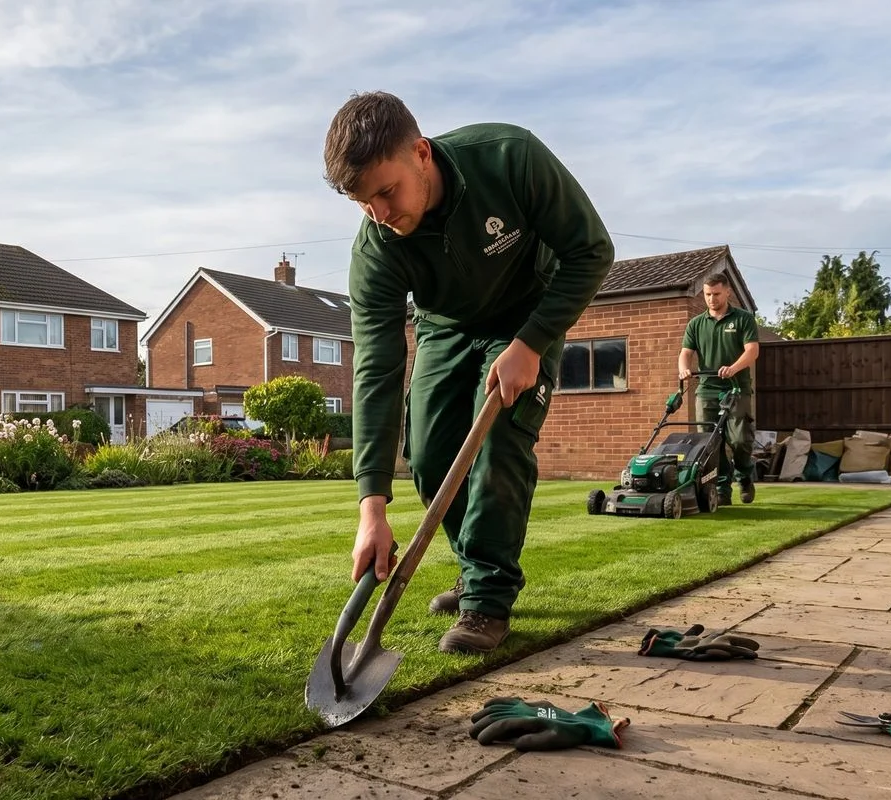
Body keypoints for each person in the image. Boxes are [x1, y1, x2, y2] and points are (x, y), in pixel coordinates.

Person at [325, 92, 613, 655]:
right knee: (430, 455)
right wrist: (371, 507)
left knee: (502, 437)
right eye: (363, 203)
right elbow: (376, 370)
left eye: (387, 192)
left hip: (527, 313)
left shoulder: (509, 156)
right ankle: (472, 566)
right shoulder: (376, 250)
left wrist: (531, 343)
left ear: (422, 153)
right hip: (445, 327)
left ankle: (487, 600)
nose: (381, 214)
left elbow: (591, 251)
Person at [677, 272, 760, 504]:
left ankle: (744, 477)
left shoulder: (743, 319)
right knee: (711, 442)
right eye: (707, 295)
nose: (711, 299)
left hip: (736, 388)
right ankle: (722, 488)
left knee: (740, 439)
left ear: (727, 292)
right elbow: (685, 353)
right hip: (707, 389)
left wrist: (733, 368)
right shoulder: (696, 323)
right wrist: (684, 369)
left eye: (715, 294)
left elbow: (752, 350)